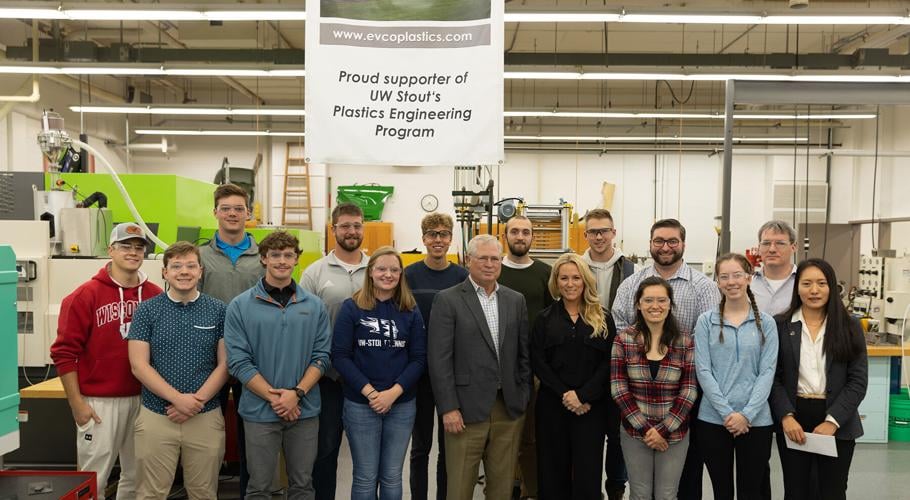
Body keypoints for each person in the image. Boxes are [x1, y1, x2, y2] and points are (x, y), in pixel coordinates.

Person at [50, 222, 163, 498]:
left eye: (139, 247)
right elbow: (64, 353)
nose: (133, 252)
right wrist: (77, 403)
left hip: (144, 399)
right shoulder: (83, 296)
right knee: (93, 477)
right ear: (110, 250)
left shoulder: (155, 296)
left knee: (138, 476)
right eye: (125, 246)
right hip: (99, 402)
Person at [611, 218, 719, 500]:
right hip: (637, 405)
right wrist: (640, 344)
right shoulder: (630, 285)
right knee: (640, 491)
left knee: (681, 486)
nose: (666, 246)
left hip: (681, 406)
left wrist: (667, 425)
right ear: (650, 244)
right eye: (659, 240)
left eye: (673, 241)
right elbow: (619, 325)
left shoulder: (704, 287)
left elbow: (706, 341)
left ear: (683, 244)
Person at [225, 231, 332, 500]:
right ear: (263, 259)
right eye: (275, 255)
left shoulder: (314, 305)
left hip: (304, 410)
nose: (282, 261)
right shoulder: (240, 306)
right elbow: (238, 361)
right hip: (259, 411)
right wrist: (276, 398)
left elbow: (322, 356)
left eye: (288, 255)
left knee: (303, 485)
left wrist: (295, 395)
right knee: (259, 487)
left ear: (297, 259)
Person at [428, 234, 532, 500]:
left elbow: (523, 354)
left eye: (494, 258)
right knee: (460, 487)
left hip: (507, 408)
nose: (489, 264)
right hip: (464, 409)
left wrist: (521, 397)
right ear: (468, 260)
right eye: (482, 258)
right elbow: (439, 359)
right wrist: (449, 408)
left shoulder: (515, 300)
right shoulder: (448, 300)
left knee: (501, 487)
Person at [128, 242, 229, 499]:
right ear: (164, 272)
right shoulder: (147, 311)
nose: (184, 271)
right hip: (156, 415)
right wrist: (178, 399)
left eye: (191, 265)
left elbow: (225, 364)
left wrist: (195, 403)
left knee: (204, 493)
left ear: (201, 271)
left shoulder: (219, 311)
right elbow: (139, 365)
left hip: (205, 415)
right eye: (176, 266)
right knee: (150, 493)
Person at [332, 246, 428, 500]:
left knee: (392, 475)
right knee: (365, 476)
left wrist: (393, 393)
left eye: (394, 270)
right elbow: (340, 356)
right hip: (360, 404)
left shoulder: (410, 310)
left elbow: (419, 359)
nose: (388, 274)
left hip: (401, 404)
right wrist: (372, 393)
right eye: (382, 268)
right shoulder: (352, 308)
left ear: (401, 274)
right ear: (371, 272)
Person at [770, 258, 868, 500]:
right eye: (807, 283)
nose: (814, 290)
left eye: (821, 283)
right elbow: (773, 377)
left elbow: (858, 380)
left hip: (838, 419)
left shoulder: (849, 325)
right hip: (795, 419)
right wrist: (786, 416)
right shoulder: (781, 325)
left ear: (831, 287)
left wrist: (833, 421)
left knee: (832, 491)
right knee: (796, 491)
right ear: (797, 287)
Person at [693, 253, 778, 500]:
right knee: (722, 491)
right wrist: (727, 413)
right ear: (717, 282)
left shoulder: (767, 324)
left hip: (757, 420)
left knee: (751, 490)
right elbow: (704, 370)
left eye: (737, 275)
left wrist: (747, 414)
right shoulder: (706, 322)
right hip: (713, 419)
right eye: (724, 277)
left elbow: (767, 372)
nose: (732, 282)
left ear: (749, 278)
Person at [531, 253, 615, 500]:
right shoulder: (544, 319)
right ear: (556, 282)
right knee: (552, 471)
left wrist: (583, 395)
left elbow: (609, 362)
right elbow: (539, 362)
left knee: (587, 474)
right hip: (553, 406)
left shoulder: (603, 318)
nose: (570, 283)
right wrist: (566, 395)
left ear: (585, 280)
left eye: (576, 277)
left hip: (591, 408)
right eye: (564, 278)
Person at [199, 183, 264, 498]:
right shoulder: (198, 257)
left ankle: (247, 492)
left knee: (249, 430)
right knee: (203, 427)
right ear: (215, 213)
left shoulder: (264, 257)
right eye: (226, 208)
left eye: (239, 208)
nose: (233, 214)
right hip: (206, 355)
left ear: (248, 213)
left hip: (252, 355)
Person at [302, 202, 370, 500]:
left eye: (356, 225)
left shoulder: (377, 269)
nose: (351, 231)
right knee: (325, 451)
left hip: (369, 379)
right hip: (327, 378)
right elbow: (303, 324)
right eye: (345, 226)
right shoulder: (314, 273)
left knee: (367, 456)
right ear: (333, 230)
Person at [611, 277, 697, 500]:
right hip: (634, 432)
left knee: (666, 495)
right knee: (639, 494)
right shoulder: (624, 340)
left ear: (670, 304)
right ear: (638, 304)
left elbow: (688, 391)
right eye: (648, 300)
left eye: (661, 300)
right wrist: (646, 429)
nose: (655, 306)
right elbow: (619, 389)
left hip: (674, 434)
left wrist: (663, 430)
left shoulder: (684, 342)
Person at [405, 213, 469, 500]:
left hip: (451, 374)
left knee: (449, 447)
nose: (438, 239)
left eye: (444, 234)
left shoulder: (462, 277)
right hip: (417, 373)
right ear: (423, 239)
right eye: (432, 234)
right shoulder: (408, 276)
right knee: (420, 447)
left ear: (450, 238)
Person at [580, 208, 634, 500]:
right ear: (586, 235)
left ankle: (616, 487)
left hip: (621, 364)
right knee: (587, 432)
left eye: (604, 231)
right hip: (584, 364)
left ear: (614, 233)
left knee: (618, 434)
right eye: (593, 232)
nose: (599, 237)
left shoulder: (630, 270)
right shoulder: (575, 266)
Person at [497, 215, 553, 500]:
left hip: (533, 368)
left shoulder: (545, 273)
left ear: (532, 237)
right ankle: (503, 487)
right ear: (505, 235)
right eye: (515, 231)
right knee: (501, 435)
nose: (520, 236)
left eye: (526, 232)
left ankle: (530, 488)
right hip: (497, 368)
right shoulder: (493, 270)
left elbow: (551, 319)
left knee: (530, 434)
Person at [752, 220, 798, 316]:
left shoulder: (803, 282)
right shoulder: (747, 284)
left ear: (793, 247)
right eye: (766, 243)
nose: (772, 249)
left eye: (780, 243)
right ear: (759, 247)